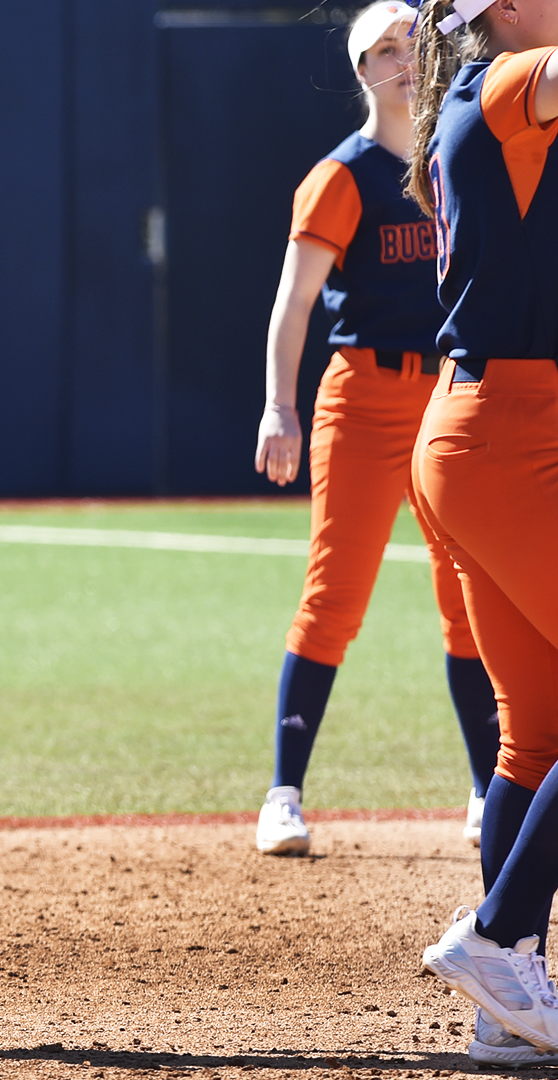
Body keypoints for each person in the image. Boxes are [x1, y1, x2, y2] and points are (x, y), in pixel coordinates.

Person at [251, 1, 500, 858]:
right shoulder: (343, 173)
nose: (401, 59)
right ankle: (283, 793)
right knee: (334, 597)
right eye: (382, 49)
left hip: (445, 397)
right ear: (361, 72)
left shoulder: (453, 155)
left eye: (411, 43)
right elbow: (295, 301)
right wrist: (279, 405)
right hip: (361, 397)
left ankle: (483, 790)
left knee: (467, 594)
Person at [405, 0, 558, 1067]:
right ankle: (500, 938)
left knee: (536, 736)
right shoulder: (508, 81)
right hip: (513, 433)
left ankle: (504, 1010)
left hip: (483, 428)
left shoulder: (476, 93)